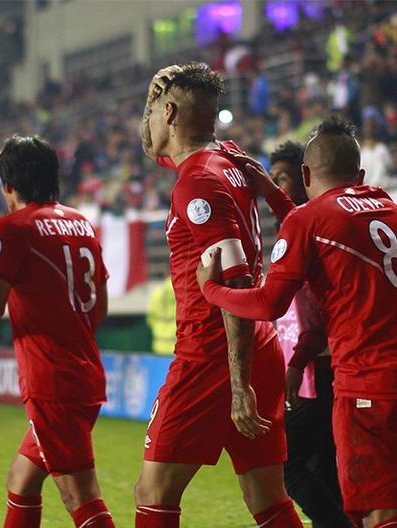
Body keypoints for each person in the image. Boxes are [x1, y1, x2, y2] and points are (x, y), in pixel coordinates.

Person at [198, 116, 397, 528]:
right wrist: (273, 194)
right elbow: (325, 227)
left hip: (368, 383)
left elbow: (270, 303)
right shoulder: (386, 204)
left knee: (378, 511)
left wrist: (212, 290)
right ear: (359, 175)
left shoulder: (308, 221)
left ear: (305, 174)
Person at [133, 63, 303, 528]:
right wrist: (153, 96)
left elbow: (235, 282)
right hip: (260, 347)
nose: (146, 122)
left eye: (152, 111)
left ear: (168, 112)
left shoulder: (198, 183)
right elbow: (151, 145)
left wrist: (237, 384)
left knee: (152, 492)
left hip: (212, 354)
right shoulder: (225, 157)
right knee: (267, 498)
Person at [0, 135, 116, 528]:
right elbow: (101, 307)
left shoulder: (13, 228)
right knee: (21, 481)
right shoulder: (80, 222)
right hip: (85, 371)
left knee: (80, 494)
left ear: (8, 186)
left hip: (51, 380)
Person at [268, 140, 350, 527]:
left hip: (318, 365)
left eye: (282, 178)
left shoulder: (309, 226)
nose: (276, 186)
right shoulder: (291, 229)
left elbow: (313, 314)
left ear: (306, 178)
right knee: (323, 464)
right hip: (314, 364)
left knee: (290, 464)